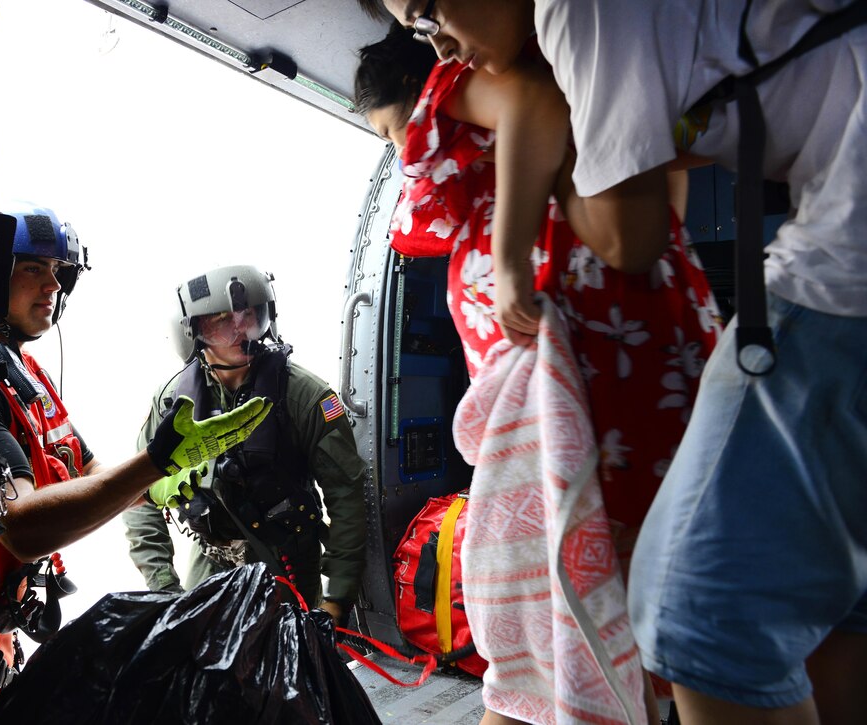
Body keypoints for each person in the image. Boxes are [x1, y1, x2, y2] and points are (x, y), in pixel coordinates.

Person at [361, 2, 867, 723]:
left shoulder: (574, 22)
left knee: (696, 618)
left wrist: (515, 250)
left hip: (832, 244)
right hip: (673, 343)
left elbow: (633, 236)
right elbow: (661, 195)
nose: (438, 38)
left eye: (428, 8)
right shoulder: (596, 57)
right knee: (824, 602)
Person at [0, 208, 272, 723]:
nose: (53, 284)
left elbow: (91, 470)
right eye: (33, 268)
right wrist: (153, 464)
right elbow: (23, 529)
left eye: (58, 270)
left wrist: (163, 484)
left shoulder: (24, 371)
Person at [122, 264, 367, 621]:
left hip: (287, 566)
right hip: (211, 563)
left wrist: (336, 599)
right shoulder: (174, 402)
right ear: (192, 332)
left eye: (248, 316)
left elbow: (347, 496)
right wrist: (166, 592)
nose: (240, 329)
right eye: (220, 322)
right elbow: (139, 494)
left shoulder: (303, 396)